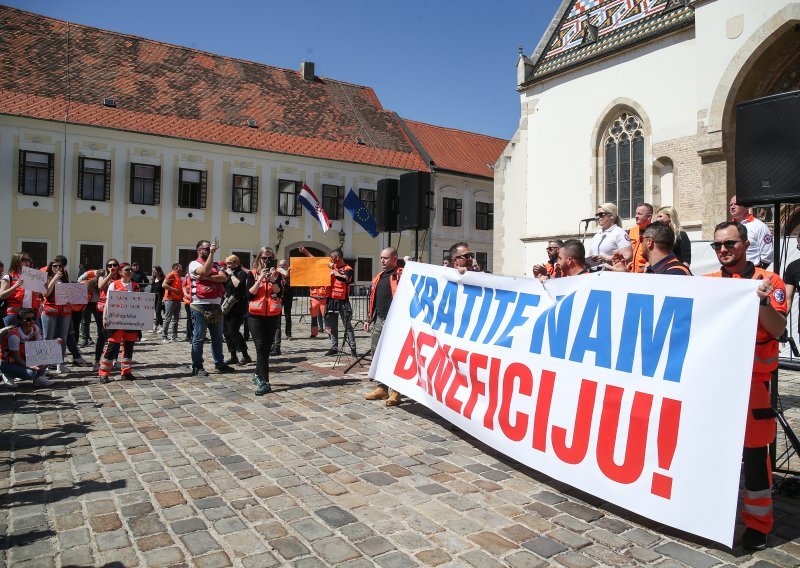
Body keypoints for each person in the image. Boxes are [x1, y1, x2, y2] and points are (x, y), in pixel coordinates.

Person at [704, 221, 787, 551]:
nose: (723, 250)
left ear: (745, 244)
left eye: (729, 244)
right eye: (717, 246)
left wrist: (763, 303)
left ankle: (757, 524)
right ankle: (710, 515)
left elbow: (779, 329)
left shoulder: (768, 282)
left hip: (753, 386)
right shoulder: (707, 284)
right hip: (713, 387)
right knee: (712, 454)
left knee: (754, 459)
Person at [188, 240, 234, 376]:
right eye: (206, 249)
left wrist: (208, 278)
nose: (209, 250)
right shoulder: (194, 264)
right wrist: (208, 270)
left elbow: (223, 278)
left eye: (210, 248)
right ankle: (197, 366)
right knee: (198, 337)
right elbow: (203, 271)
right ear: (199, 250)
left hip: (216, 305)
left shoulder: (215, 264)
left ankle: (219, 363)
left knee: (217, 337)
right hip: (199, 305)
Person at [364, 247, 404, 406]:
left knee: (394, 355)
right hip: (379, 320)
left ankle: (396, 391)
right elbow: (373, 299)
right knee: (377, 353)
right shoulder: (379, 277)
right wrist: (369, 318)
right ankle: (382, 387)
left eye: (386, 258)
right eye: (381, 257)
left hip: (395, 320)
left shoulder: (402, 275)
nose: (382, 261)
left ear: (395, 258)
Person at [247, 246, 284, 395]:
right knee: (261, 346)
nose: (266, 261)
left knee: (266, 349)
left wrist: (273, 280)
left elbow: (280, 293)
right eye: (264, 258)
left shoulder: (277, 275)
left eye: (269, 258)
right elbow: (249, 294)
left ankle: (257, 374)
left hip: (272, 314)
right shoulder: (252, 274)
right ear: (259, 259)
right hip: (255, 315)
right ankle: (265, 382)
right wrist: (261, 278)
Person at [99, 263, 140, 383]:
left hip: (131, 321)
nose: (130, 272)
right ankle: (103, 373)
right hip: (116, 321)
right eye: (127, 270)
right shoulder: (114, 284)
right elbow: (108, 302)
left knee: (129, 347)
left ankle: (126, 372)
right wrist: (105, 318)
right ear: (121, 272)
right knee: (112, 346)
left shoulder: (135, 286)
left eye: (131, 270)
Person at [0, 308, 54, 388]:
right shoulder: (14, 336)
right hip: (9, 362)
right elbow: (17, 358)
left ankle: (38, 379)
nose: (32, 321)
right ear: (20, 321)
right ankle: (7, 375)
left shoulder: (35, 329)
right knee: (30, 373)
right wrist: (30, 366)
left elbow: (40, 346)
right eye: (28, 319)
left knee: (47, 359)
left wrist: (55, 343)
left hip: (25, 358)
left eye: (33, 318)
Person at [323, 249, 357, 358]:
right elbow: (316, 261)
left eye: (332, 257)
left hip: (343, 300)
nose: (331, 260)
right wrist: (305, 251)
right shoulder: (332, 267)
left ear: (337, 258)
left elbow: (344, 279)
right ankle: (334, 347)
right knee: (333, 325)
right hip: (331, 299)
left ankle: (353, 348)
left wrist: (333, 269)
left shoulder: (348, 269)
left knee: (347, 324)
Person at [41, 258, 73, 374]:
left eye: (60, 266)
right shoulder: (46, 278)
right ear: (51, 267)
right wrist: (54, 279)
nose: (58, 268)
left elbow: (70, 294)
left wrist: (71, 299)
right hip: (50, 311)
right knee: (48, 338)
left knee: (62, 338)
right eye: (55, 266)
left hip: (64, 312)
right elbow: (46, 293)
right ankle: (46, 366)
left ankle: (60, 364)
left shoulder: (65, 279)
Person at [222, 255, 251, 365]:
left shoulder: (241, 273)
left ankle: (245, 355)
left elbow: (238, 285)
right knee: (226, 332)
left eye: (230, 263)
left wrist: (230, 274)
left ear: (236, 263)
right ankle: (233, 355)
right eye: (227, 263)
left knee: (233, 331)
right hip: (228, 305)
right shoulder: (229, 274)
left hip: (238, 306)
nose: (228, 265)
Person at [730, 195, 774, 268]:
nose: (732, 206)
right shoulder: (728, 226)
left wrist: (756, 271)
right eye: (730, 205)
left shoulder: (759, 226)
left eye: (736, 204)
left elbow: (767, 255)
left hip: (751, 272)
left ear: (746, 206)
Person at [0, 252, 41, 327]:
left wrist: (37, 288)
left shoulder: (32, 276)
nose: (27, 262)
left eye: (28, 260)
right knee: (12, 337)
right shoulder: (8, 277)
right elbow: (1, 295)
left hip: (30, 314)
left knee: (34, 337)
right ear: (16, 262)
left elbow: (37, 296)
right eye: (24, 260)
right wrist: (15, 286)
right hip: (14, 314)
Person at [95, 259, 121, 371]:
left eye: (115, 265)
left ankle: (115, 360)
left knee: (115, 336)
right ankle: (97, 361)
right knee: (102, 336)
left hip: (116, 310)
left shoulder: (120, 278)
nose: (112, 266)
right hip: (102, 310)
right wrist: (110, 274)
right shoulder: (102, 277)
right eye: (110, 265)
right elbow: (101, 286)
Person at [589, 203, 631, 269]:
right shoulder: (597, 235)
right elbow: (591, 256)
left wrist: (606, 258)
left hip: (612, 273)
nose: (598, 218)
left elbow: (628, 256)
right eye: (597, 215)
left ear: (611, 216)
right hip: (596, 274)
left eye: (601, 215)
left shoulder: (620, 233)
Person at [628, 203, 653, 273]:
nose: (636, 216)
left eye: (639, 214)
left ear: (649, 217)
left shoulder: (655, 232)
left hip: (646, 273)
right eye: (636, 213)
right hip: (630, 273)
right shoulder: (631, 231)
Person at [161, 263, 183, 342]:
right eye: (181, 267)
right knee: (168, 318)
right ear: (176, 267)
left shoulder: (178, 276)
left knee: (176, 319)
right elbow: (164, 285)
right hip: (170, 300)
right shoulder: (171, 275)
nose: (182, 268)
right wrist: (175, 290)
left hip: (177, 300)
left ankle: (174, 336)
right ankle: (164, 336)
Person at [279, 259, 293, 341]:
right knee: (278, 316)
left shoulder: (290, 275)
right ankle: (278, 334)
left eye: (283, 264)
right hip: (279, 297)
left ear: (287, 266)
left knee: (288, 316)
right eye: (280, 265)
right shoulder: (277, 274)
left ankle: (288, 334)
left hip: (288, 296)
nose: (282, 266)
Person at [150, 266, 165, 334]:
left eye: (155, 270)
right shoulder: (154, 279)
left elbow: (165, 290)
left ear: (159, 271)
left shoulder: (163, 279)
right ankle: (162, 326)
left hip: (160, 297)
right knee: (157, 312)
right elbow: (152, 289)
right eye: (153, 270)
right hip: (154, 297)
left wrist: (164, 299)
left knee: (158, 311)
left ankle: (155, 327)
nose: (153, 272)